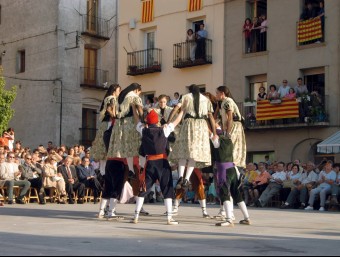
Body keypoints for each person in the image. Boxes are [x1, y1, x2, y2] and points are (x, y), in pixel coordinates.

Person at [132, 108, 183, 225]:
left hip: (149, 163)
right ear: (157, 121)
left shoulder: (143, 130)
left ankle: (136, 216)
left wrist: (133, 109)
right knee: (167, 188)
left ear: (148, 121)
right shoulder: (163, 130)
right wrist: (182, 111)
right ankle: (169, 218)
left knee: (143, 189)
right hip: (162, 163)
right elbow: (176, 121)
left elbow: (136, 121)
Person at [169, 85, 217, 190]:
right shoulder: (206, 100)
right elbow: (211, 118)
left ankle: (180, 177)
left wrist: (168, 122)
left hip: (189, 124)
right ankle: (186, 179)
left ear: (190, 90)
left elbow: (176, 109)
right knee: (193, 155)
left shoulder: (186, 97)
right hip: (201, 126)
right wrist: (214, 133)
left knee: (182, 152)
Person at [107, 83, 144, 180]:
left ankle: (131, 170)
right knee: (140, 145)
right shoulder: (135, 97)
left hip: (120, 125)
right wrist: (144, 120)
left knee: (128, 148)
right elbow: (140, 111)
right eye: (139, 92)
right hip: (131, 123)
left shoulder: (120, 97)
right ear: (136, 90)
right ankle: (142, 167)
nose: (139, 94)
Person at [91, 84, 121, 176]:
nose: (119, 92)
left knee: (103, 149)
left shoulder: (107, 98)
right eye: (118, 90)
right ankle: (105, 173)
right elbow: (109, 109)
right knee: (107, 146)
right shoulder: (112, 98)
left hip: (105, 123)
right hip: (109, 123)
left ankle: (103, 172)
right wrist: (115, 117)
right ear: (114, 91)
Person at [216, 86, 246, 169]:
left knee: (231, 148)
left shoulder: (228, 101)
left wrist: (228, 132)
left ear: (222, 93)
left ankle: (235, 170)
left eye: (217, 93)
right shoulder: (222, 103)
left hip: (234, 125)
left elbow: (230, 118)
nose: (216, 95)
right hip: (230, 126)